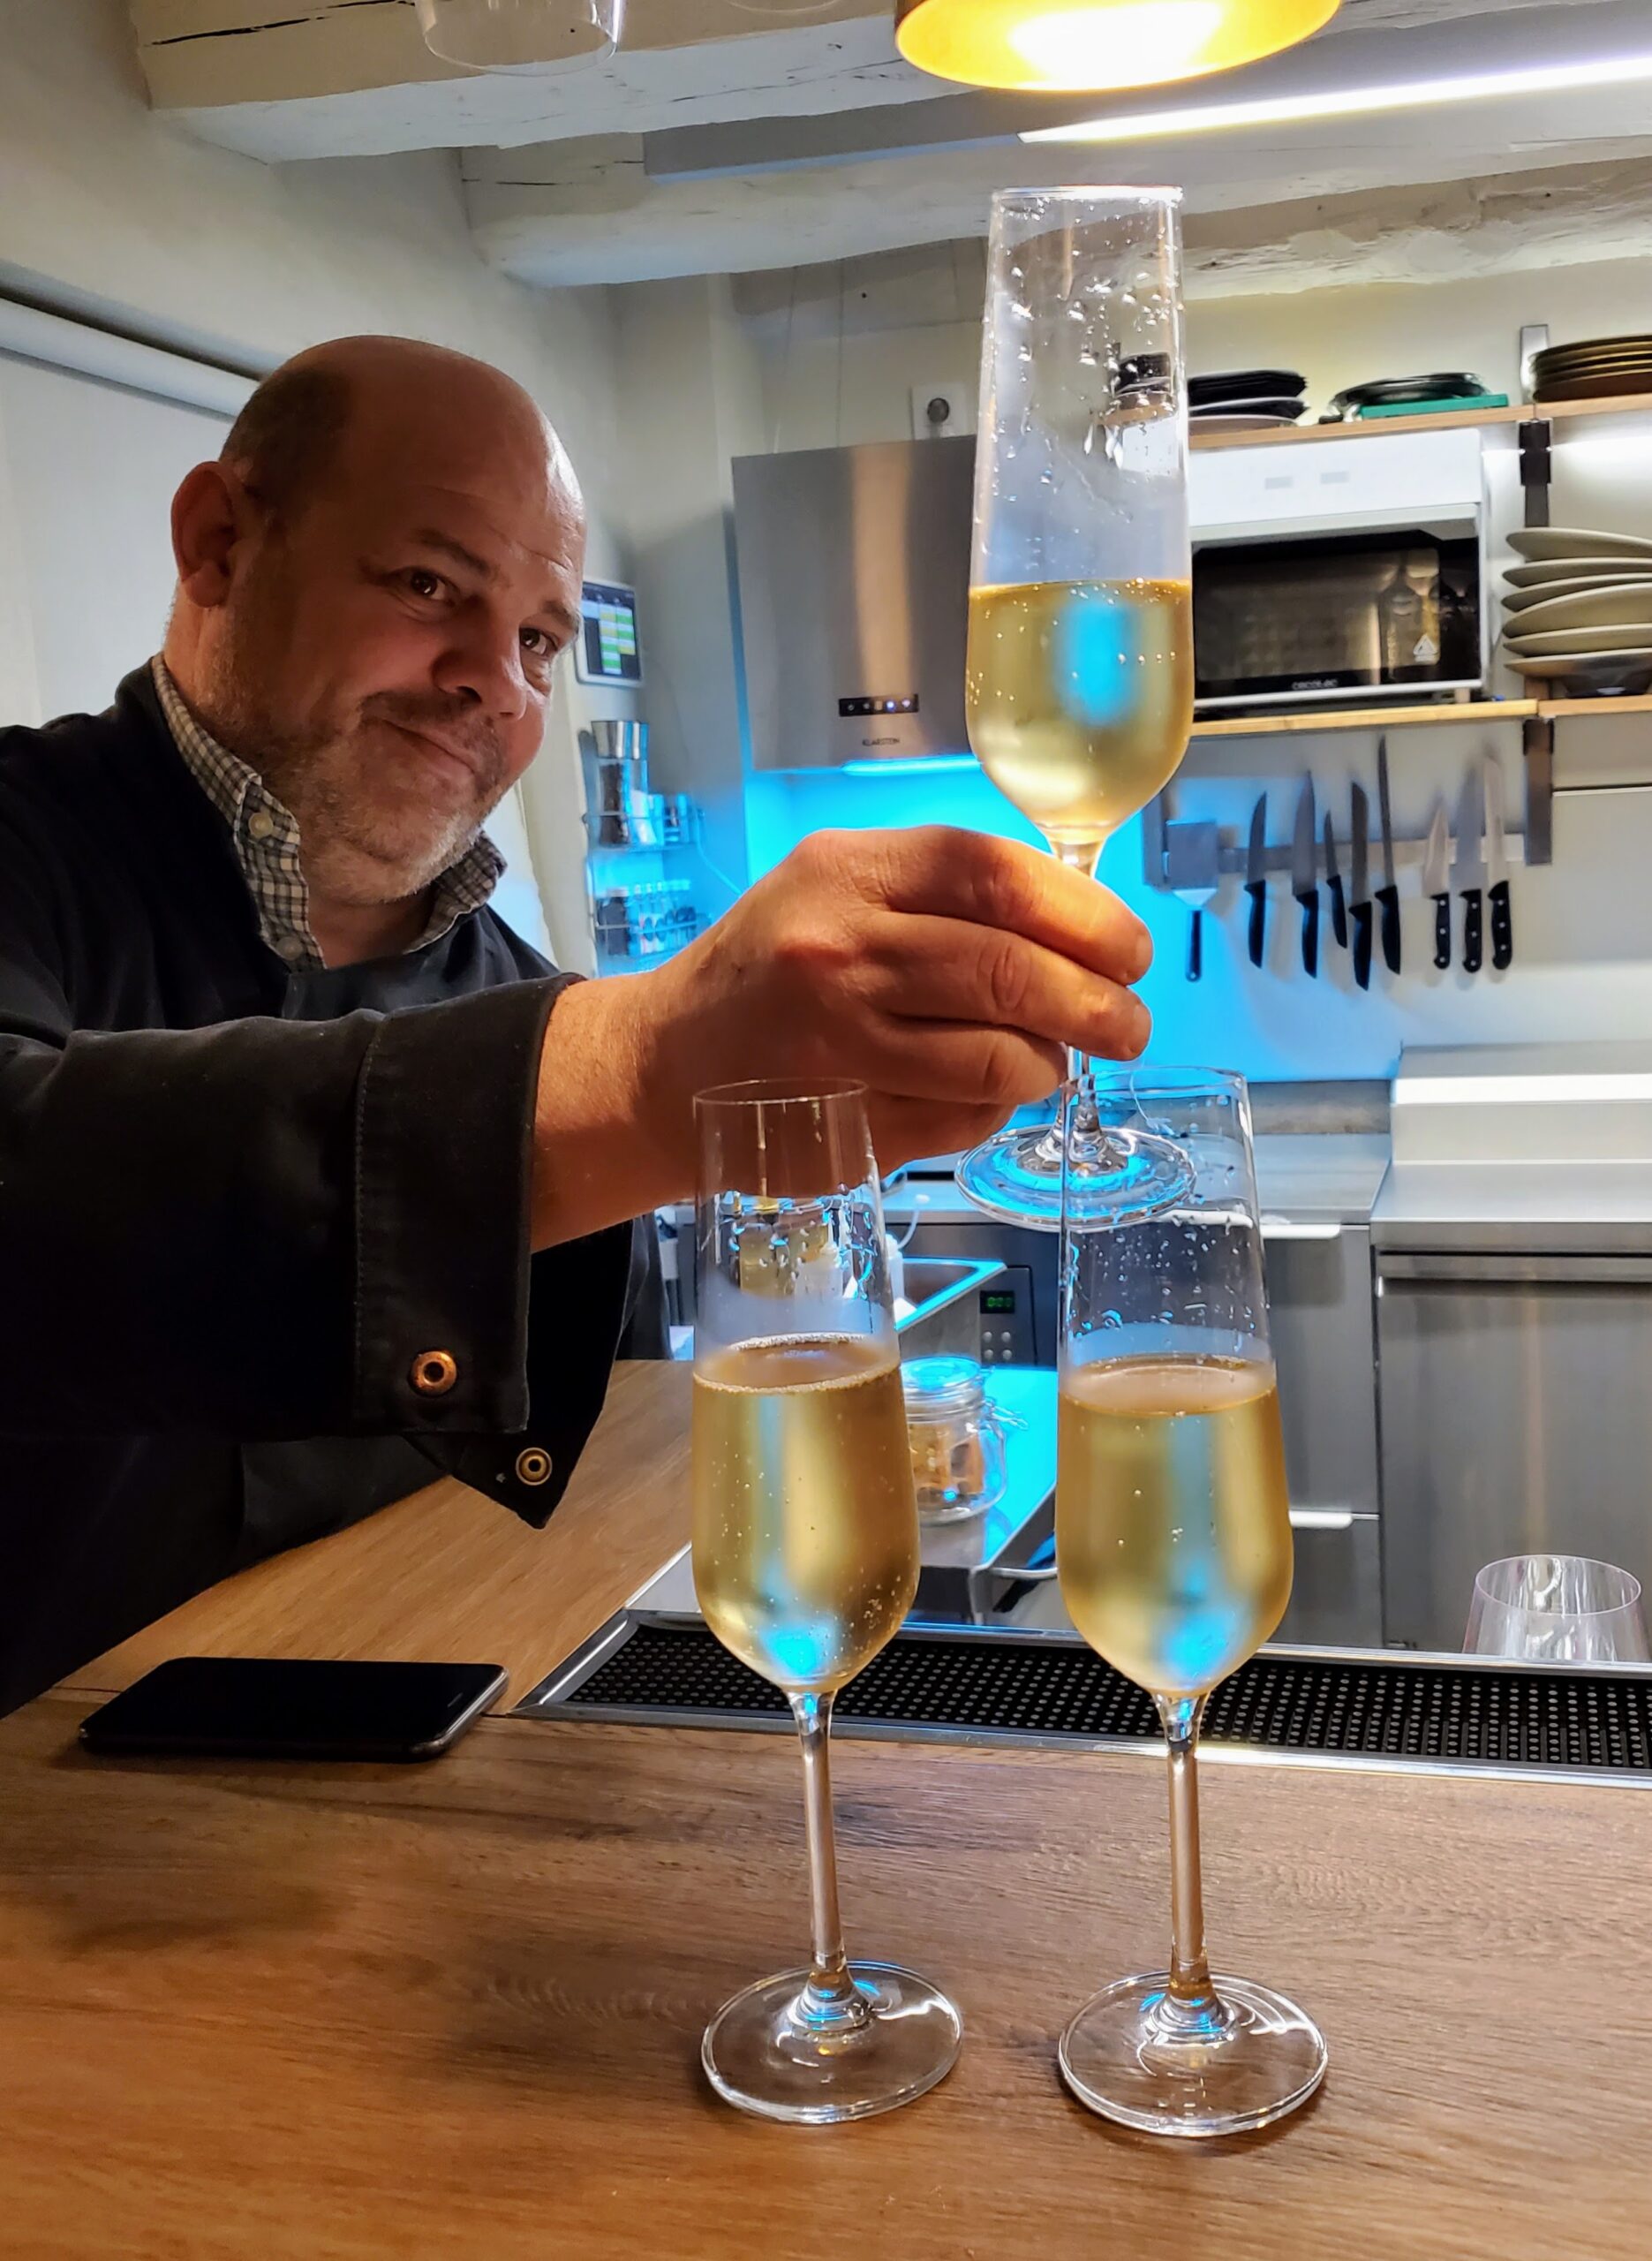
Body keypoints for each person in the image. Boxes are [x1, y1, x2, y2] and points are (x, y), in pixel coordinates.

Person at [0, 335, 1151, 1713]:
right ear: (218, 546)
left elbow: (596, 1481)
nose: (495, 678)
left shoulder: (511, 989)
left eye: (539, 641)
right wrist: (643, 1067)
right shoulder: (34, 854)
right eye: (429, 585)